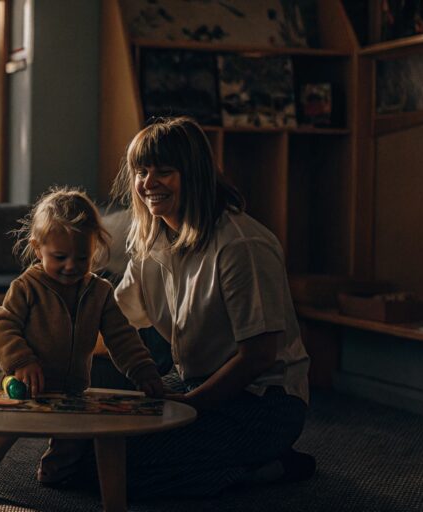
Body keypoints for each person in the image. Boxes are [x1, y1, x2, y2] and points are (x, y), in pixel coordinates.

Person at [110, 116, 315, 498]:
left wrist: (191, 405)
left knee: (124, 471)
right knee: (98, 451)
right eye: (141, 172)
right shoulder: (152, 243)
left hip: (264, 402)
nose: (148, 183)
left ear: (194, 174)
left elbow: (258, 357)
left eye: (164, 171)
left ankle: (265, 469)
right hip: (192, 382)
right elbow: (113, 319)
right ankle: (238, 465)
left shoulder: (241, 245)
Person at [0, 187, 165, 502]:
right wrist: (21, 361)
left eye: (82, 257)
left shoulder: (99, 292)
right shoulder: (26, 286)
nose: (71, 265)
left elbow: (122, 336)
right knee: (2, 426)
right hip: (19, 379)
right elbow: (3, 325)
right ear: (37, 248)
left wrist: (142, 370)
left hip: (72, 386)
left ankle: (54, 470)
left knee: (74, 434)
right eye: (60, 257)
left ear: (95, 248)